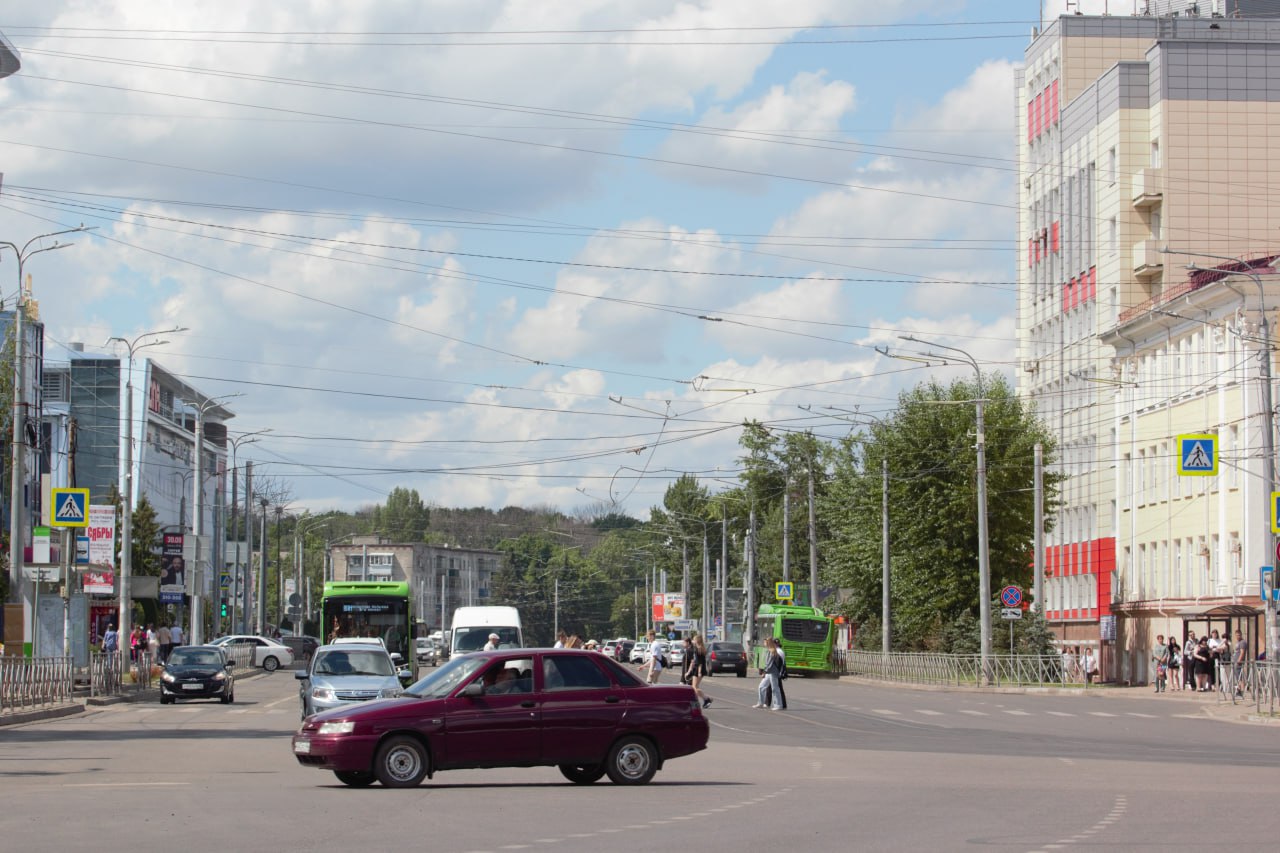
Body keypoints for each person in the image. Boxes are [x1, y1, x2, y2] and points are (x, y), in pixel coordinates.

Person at [754, 638, 785, 710]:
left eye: (765, 642)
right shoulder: (768, 651)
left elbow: (769, 664)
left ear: (769, 643)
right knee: (761, 687)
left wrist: (764, 672)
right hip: (769, 672)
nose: (764, 644)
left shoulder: (773, 651)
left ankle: (778, 705)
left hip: (773, 672)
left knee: (775, 688)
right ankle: (760, 703)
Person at [686, 633, 711, 708]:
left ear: (697, 640)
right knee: (694, 687)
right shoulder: (698, 648)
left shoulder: (698, 649)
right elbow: (694, 661)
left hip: (698, 669)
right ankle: (698, 701)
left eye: (693, 639)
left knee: (694, 687)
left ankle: (706, 699)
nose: (692, 641)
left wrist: (699, 672)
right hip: (697, 669)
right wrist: (689, 671)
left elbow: (699, 662)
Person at [1231, 630, 1248, 696]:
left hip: (1238, 662)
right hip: (1235, 661)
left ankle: (1242, 690)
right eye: (1237, 635)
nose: (1238, 636)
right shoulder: (1238, 642)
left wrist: (1239, 661)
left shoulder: (1242, 642)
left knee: (1239, 677)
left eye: (1239, 635)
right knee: (1237, 676)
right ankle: (1238, 689)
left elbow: (1242, 652)